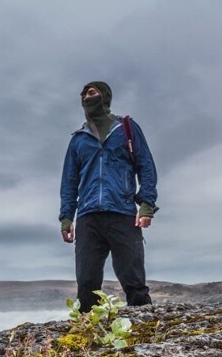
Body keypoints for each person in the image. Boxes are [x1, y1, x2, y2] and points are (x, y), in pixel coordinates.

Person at [59, 81, 158, 312]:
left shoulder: (127, 129)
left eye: (92, 93)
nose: (86, 97)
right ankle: (87, 336)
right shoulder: (78, 140)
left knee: (133, 279)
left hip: (122, 212)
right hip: (88, 216)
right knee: (86, 283)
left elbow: (146, 167)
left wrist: (146, 205)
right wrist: (66, 217)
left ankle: (145, 330)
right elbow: (69, 182)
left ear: (105, 97)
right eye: (83, 94)